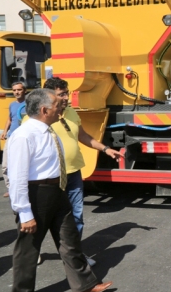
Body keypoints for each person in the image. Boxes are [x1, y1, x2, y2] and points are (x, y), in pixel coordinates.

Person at [6, 88, 112, 292]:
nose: (61, 107)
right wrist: (25, 213)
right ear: (44, 110)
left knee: (69, 239)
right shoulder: (24, 135)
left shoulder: (49, 130)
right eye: (56, 105)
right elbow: (17, 177)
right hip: (37, 195)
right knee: (29, 246)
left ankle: (83, 285)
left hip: (57, 190)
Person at [36, 77, 124, 266]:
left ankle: (75, 256)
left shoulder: (71, 112)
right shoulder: (39, 116)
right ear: (49, 96)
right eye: (62, 94)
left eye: (67, 93)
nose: (67, 97)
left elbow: (82, 136)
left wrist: (105, 149)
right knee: (43, 218)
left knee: (76, 216)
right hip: (49, 176)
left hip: (74, 173)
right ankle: (32, 250)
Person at [1, 82, 27, 197]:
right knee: (6, 165)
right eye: (14, 90)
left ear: (24, 90)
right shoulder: (12, 105)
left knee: (22, 165)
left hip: (23, 139)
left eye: (19, 90)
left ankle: (24, 188)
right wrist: (5, 131)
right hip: (11, 138)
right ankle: (10, 188)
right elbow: (10, 119)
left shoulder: (30, 104)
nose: (17, 92)